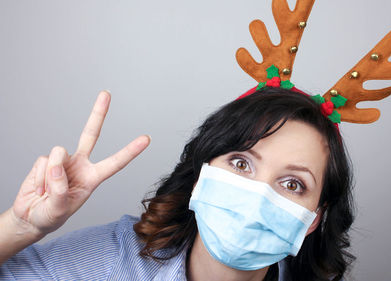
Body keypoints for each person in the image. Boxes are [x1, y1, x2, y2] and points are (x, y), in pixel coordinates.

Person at [0, 87, 355, 281]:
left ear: (312, 219)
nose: (257, 196)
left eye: (293, 184)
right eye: (241, 162)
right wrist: (20, 227)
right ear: (203, 173)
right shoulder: (115, 259)